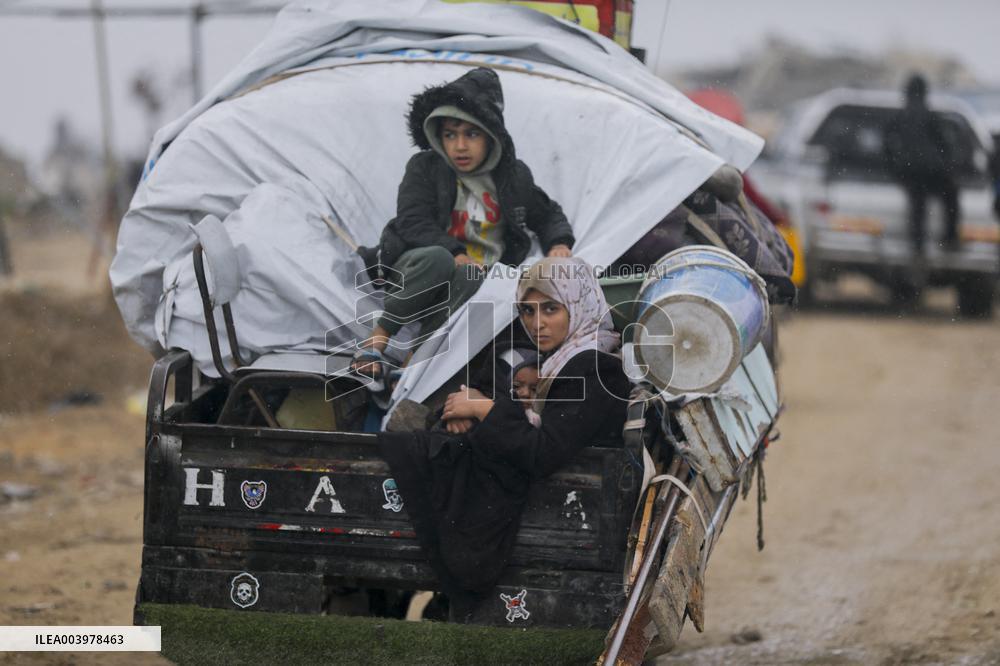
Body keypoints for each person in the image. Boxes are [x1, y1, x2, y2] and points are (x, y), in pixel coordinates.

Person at [377, 256, 629, 618]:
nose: (537, 323)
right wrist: (467, 413)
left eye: (551, 309)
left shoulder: (592, 366)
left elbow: (544, 452)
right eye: (527, 311)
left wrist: (484, 411)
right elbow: (509, 408)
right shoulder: (560, 357)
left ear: (578, 304)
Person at [353, 67, 575, 382]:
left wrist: (559, 243)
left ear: (490, 135)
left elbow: (547, 212)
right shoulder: (426, 167)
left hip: (475, 282)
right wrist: (455, 250)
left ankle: (414, 365)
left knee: (472, 274)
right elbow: (412, 220)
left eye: (471, 134)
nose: (459, 146)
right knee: (440, 259)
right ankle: (375, 343)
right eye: (450, 134)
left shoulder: (513, 177)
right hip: (420, 268)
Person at [884, 74, 961, 255]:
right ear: (925, 92)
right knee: (950, 196)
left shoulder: (900, 116)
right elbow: (944, 144)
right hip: (932, 171)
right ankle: (950, 238)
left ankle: (918, 246)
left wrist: (892, 167)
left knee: (918, 206)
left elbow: (887, 143)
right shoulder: (930, 115)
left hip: (910, 171)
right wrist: (948, 165)